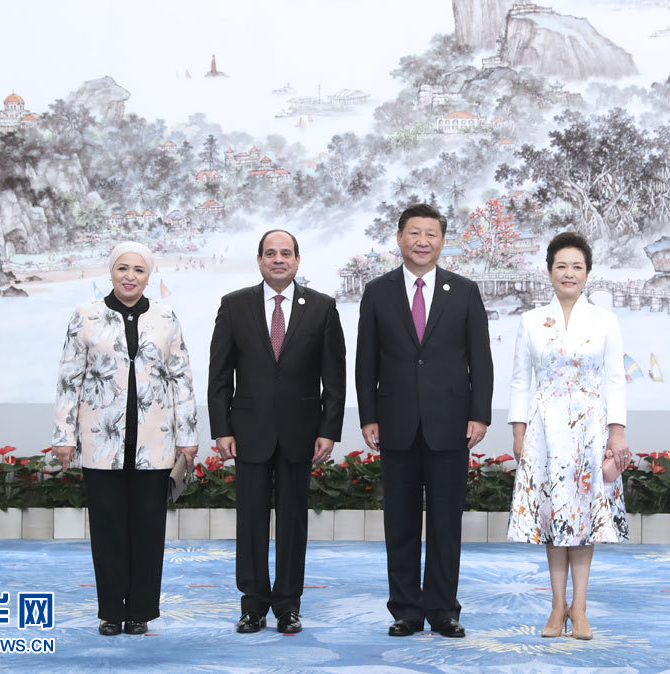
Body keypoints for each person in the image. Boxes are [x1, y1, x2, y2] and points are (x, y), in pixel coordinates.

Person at [356, 203, 493, 638]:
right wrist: (368, 416)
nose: (422, 241)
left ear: (442, 241)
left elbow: (481, 361)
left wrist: (480, 414)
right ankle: (405, 611)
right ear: (399, 238)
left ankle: (443, 610)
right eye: (414, 233)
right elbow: (365, 361)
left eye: (431, 234)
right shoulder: (378, 292)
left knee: (445, 522)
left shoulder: (465, 291)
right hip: (395, 423)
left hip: (451, 424)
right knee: (399, 522)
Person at [51, 241, 199, 637]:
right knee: (108, 529)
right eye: (122, 268)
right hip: (102, 443)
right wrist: (63, 435)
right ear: (111, 272)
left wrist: (188, 434)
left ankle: (141, 612)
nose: (129, 276)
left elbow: (181, 379)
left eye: (138, 269)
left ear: (149, 275)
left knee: (148, 530)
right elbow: (69, 380)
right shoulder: (85, 316)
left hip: (156, 442)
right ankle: (110, 612)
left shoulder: (166, 316)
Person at [208, 230, 346, 634]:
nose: (278, 260)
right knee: (250, 521)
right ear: (259, 260)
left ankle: (288, 604)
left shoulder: (321, 308)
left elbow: (333, 377)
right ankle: (252, 604)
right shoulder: (234, 306)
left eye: (286, 253)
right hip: (248, 430)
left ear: (298, 261)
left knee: (292, 522)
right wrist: (221, 428)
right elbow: (220, 375)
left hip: (301, 432)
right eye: (271, 253)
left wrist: (329, 429)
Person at [507, 232, 630, 640]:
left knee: (584, 520)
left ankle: (580, 608)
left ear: (588, 273)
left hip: (591, 432)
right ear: (549, 272)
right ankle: (557, 607)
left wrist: (617, 434)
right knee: (554, 519)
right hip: (545, 430)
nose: (569, 273)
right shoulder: (530, 320)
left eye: (577, 266)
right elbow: (520, 381)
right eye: (562, 266)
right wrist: (519, 432)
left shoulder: (605, 320)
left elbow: (615, 380)